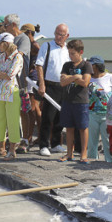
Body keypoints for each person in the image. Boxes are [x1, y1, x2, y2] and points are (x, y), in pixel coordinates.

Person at [35, 23, 72, 156]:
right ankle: (44, 145)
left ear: (66, 36)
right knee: (48, 116)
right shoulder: (47, 46)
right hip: (50, 85)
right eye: (56, 33)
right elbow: (39, 65)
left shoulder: (68, 49)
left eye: (61, 35)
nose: (57, 37)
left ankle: (56, 143)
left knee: (60, 116)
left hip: (64, 87)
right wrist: (42, 84)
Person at [0, 33, 23, 161]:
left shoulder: (18, 57)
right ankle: (2, 148)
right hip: (0, 91)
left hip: (12, 91)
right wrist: (2, 74)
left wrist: (1, 74)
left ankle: (12, 150)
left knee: (12, 120)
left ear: (6, 43)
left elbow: (10, 74)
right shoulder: (2, 56)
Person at [58, 39, 92, 164]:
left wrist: (70, 78)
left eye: (73, 53)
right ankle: (69, 153)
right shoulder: (67, 65)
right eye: (69, 53)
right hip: (67, 100)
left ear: (80, 52)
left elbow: (85, 82)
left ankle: (83, 154)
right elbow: (62, 82)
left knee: (83, 128)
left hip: (81, 101)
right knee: (69, 127)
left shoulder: (86, 65)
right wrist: (76, 77)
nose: (70, 56)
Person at [3, 14, 32, 153]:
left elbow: (18, 55)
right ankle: (13, 138)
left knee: (23, 111)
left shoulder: (23, 39)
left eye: (5, 25)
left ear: (13, 25)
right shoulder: (9, 39)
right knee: (10, 111)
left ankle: (25, 139)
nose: (3, 28)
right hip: (8, 82)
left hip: (20, 83)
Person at [87, 56, 112, 162]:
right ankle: (92, 161)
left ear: (96, 66)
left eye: (91, 64)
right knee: (92, 142)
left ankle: (109, 161)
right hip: (91, 113)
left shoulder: (110, 77)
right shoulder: (88, 77)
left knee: (107, 140)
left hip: (107, 114)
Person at [21, 23, 42, 146]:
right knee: (35, 109)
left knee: (32, 109)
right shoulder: (31, 44)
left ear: (29, 33)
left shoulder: (34, 45)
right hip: (30, 78)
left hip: (32, 80)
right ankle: (38, 136)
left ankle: (29, 137)